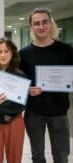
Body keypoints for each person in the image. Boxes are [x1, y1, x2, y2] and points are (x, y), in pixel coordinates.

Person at [19, 7, 73, 163]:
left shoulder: (66, 50)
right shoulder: (23, 54)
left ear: (51, 24)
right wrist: (28, 89)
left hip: (59, 110)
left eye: (45, 22)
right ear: (31, 27)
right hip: (34, 111)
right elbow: (20, 83)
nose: (41, 27)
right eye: (36, 23)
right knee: (37, 156)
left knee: (62, 156)